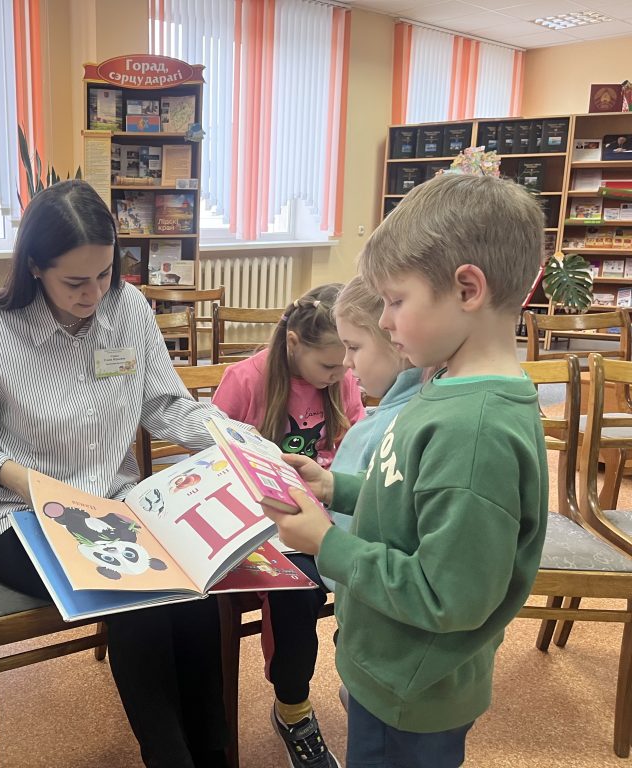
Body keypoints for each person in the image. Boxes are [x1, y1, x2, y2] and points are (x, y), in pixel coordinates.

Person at [0, 179, 234, 768]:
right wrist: (22, 479)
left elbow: (165, 404)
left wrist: (239, 444)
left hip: (113, 504)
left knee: (194, 586)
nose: (94, 293)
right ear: (35, 267)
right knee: (135, 592)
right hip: (15, 515)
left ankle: (213, 755)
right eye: (75, 282)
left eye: (105, 274)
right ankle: (170, 758)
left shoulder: (127, 309)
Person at [265, 173, 549, 768]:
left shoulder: (475, 430)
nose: (387, 321)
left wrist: (327, 545)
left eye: (396, 301)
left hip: (414, 688)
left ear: (467, 288)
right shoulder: (444, 384)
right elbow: (412, 498)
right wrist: (335, 486)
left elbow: (448, 596)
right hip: (391, 665)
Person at [211, 283, 365, 768]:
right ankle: (293, 709)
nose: (340, 374)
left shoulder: (341, 380)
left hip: (328, 514)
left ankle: (363, 675)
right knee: (298, 593)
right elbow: (211, 459)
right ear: (294, 343)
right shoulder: (244, 380)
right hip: (260, 525)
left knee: (377, 564)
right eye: (329, 365)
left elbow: (355, 450)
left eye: (346, 362)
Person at [326, 274, 423, 550]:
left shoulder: (392, 425)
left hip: (346, 559)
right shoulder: (402, 408)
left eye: (353, 347)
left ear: (396, 341)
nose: (346, 361)